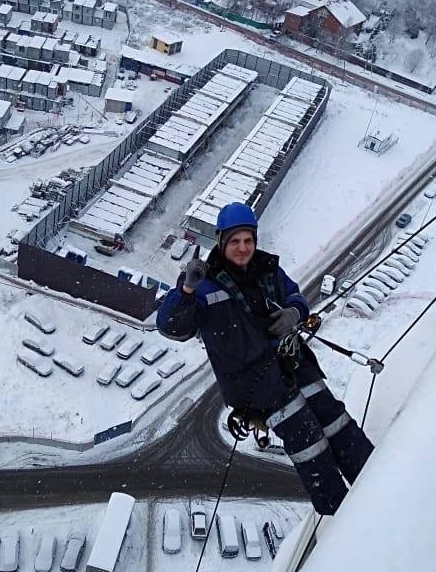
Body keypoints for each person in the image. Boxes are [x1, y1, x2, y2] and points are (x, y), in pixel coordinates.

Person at [157, 202, 374, 515]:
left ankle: (373, 477)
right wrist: (187, 289)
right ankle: (339, 513)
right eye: (235, 241)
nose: (243, 248)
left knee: (335, 419)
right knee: (308, 441)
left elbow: (294, 295)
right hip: (255, 384)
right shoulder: (204, 285)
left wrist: (294, 312)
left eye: (248, 240)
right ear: (221, 242)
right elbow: (172, 327)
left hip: (293, 362)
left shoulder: (267, 269)